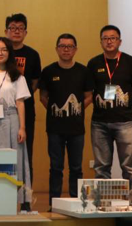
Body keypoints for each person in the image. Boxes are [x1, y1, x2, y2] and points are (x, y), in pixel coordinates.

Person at [86, 25, 132, 199]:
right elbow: (89, 93)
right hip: (100, 123)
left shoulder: (131, 62)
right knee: (101, 166)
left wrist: (129, 103)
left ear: (120, 41)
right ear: (101, 42)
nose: (109, 41)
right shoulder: (93, 63)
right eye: (105, 38)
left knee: (129, 165)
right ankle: (102, 202)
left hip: (125, 121)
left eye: (113, 38)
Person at [0, 13, 41, 183]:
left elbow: (35, 82)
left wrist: (18, 94)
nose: (16, 31)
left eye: (20, 28)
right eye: (13, 28)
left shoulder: (33, 54)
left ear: (25, 32)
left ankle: (23, 195)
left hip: (22, 111)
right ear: (6, 31)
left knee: (23, 152)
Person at [0, 37, 33, 211]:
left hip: (11, 118)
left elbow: (20, 103)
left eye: (4, 49)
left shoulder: (17, 76)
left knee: (14, 160)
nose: (0, 52)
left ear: (9, 53)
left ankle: (18, 202)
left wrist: (22, 127)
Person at [39, 33, 93, 204]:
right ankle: (54, 203)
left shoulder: (83, 71)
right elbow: (43, 97)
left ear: (75, 49)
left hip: (77, 129)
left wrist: (75, 111)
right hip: (54, 128)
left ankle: (77, 202)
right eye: (62, 46)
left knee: (76, 168)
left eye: (70, 46)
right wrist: (57, 112)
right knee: (56, 167)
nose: (66, 50)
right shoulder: (48, 71)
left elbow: (89, 96)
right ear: (57, 49)